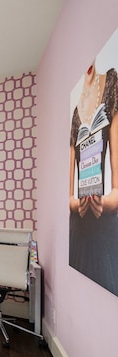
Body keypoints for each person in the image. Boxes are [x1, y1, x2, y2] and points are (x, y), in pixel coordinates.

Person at [69, 60, 118, 296]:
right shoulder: (74, 115)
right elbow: (66, 193)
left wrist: (105, 202)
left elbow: (117, 187)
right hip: (79, 225)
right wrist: (77, 204)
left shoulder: (110, 84)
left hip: (103, 221)